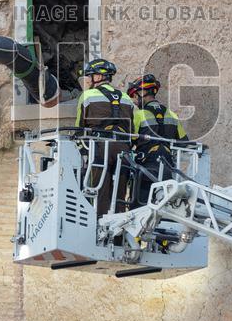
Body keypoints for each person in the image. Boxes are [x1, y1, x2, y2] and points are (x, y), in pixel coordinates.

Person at [75, 58, 135, 217]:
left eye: (90, 76)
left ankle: (99, 223)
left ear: (99, 76)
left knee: (100, 191)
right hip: (123, 149)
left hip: (101, 148)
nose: (88, 80)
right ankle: (120, 224)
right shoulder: (126, 98)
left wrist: (81, 150)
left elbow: (80, 129)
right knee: (120, 191)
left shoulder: (87, 96)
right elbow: (132, 130)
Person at [128, 74, 189, 206]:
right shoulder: (172, 115)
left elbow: (129, 142)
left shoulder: (139, 115)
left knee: (139, 208)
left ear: (142, 93)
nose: (135, 101)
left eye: (135, 96)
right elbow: (184, 142)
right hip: (168, 167)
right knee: (163, 207)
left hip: (145, 169)